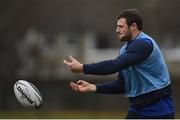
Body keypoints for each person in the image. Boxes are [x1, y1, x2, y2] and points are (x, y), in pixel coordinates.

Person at [63, 8, 175, 119]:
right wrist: (93, 87)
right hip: (137, 109)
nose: (117, 30)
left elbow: (114, 65)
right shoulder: (125, 50)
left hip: (158, 110)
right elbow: (122, 85)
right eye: (117, 26)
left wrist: (83, 68)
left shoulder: (144, 44)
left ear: (134, 26)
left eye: (121, 26)